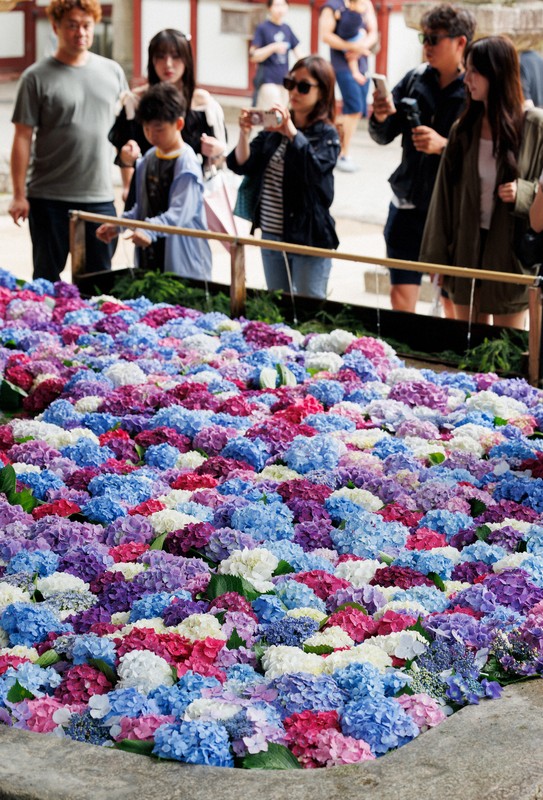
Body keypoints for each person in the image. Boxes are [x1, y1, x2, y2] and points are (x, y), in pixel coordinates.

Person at [420, 36, 543, 329]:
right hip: (465, 249)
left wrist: (524, 193)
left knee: (506, 350)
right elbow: (444, 199)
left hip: (510, 253)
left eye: (476, 71)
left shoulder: (534, 125)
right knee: (467, 347)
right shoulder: (463, 129)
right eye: (468, 69)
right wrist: (435, 261)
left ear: (497, 74)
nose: (467, 78)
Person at [8, 0, 128, 283]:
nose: (80, 33)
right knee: (47, 282)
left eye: (86, 25)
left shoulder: (113, 73)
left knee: (99, 283)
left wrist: (128, 184)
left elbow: (125, 137)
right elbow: (22, 137)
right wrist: (18, 194)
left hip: (98, 197)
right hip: (48, 196)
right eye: (72, 26)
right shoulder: (35, 77)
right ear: (56, 27)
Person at [368, 3, 476, 314]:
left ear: (460, 42)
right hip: (407, 203)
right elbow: (383, 134)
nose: (427, 46)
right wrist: (379, 115)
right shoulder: (415, 78)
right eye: (423, 38)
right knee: (400, 299)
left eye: (434, 39)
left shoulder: (474, 90)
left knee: (452, 303)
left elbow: (486, 155)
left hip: (449, 210)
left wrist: (444, 146)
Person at [227, 55, 340, 299]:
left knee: (309, 308)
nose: (294, 92)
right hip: (271, 233)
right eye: (290, 83)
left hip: (308, 238)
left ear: (323, 92)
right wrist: (244, 135)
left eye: (304, 86)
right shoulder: (274, 130)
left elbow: (316, 173)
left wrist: (292, 133)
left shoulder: (327, 134)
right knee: (278, 305)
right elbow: (242, 164)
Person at [96, 83, 212, 281]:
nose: (152, 135)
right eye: (147, 129)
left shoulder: (187, 163)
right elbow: (142, 209)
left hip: (182, 260)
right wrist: (119, 225)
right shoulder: (148, 159)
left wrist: (148, 230)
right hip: (150, 255)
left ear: (179, 124)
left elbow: (179, 214)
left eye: (159, 129)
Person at [110, 29, 227, 204]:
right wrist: (127, 182)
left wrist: (218, 151)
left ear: (187, 59)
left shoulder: (203, 104)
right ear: (151, 60)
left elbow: (220, 161)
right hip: (145, 195)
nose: (168, 64)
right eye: (161, 56)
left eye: (176, 56)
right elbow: (124, 151)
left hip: (190, 196)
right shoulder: (135, 102)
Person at [319, 0, 378, 172]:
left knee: (355, 111)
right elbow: (326, 35)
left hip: (361, 61)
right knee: (354, 107)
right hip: (342, 63)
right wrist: (351, 47)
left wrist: (360, 48)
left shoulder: (366, 3)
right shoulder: (333, 5)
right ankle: (339, 152)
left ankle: (338, 148)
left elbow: (373, 32)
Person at [250, 0, 303, 108]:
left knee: (284, 114)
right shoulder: (263, 28)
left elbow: (299, 53)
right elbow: (253, 55)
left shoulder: (287, 28)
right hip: (268, 80)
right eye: (277, 5)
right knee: (274, 114)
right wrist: (273, 47)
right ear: (269, 8)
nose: (280, 8)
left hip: (284, 81)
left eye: (283, 5)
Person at [334, 0, 371, 86]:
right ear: (353, 5)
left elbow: (337, 15)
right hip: (349, 40)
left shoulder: (345, 12)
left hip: (350, 37)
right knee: (352, 58)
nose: (364, 7)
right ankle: (355, 72)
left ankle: (362, 49)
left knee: (363, 33)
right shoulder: (355, 15)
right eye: (361, 5)